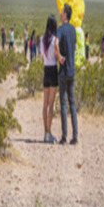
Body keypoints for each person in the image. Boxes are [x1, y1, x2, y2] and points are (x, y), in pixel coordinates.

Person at [56, 4, 78, 145]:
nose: (60, 13)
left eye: (62, 12)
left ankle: (64, 136)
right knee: (73, 104)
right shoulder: (73, 30)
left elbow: (56, 43)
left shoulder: (60, 29)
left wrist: (59, 56)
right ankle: (75, 136)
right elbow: (75, 46)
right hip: (72, 70)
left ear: (65, 15)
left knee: (63, 104)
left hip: (63, 71)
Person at [39, 15, 60, 143]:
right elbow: (57, 56)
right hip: (53, 71)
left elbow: (42, 54)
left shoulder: (42, 39)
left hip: (45, 70)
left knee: (45, 104)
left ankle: (45, 132)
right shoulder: (54, 40)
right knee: (51, 104)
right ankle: (49, 132)